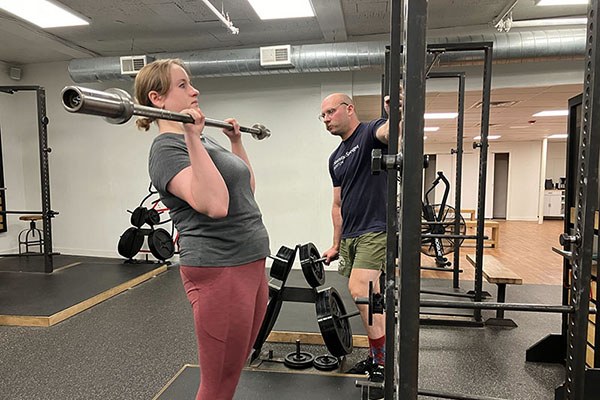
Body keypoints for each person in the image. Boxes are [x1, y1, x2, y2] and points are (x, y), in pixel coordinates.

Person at [134, 58, 270, 400]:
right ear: (157, 98)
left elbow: (244, 190)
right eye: (183, 85)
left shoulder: (204, 141)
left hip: (250, 262)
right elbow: (214, 204)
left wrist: (236, 143)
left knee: (234, 369)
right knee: (217, 384)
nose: (194, 91)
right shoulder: (167, 149)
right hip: (219, 266)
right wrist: (193, 137)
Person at [320, 93, 400, 399]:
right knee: (372, 297)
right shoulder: (334, 158)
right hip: (352, 234)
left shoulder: (370, 132)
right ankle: (378, 358)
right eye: (322, 115)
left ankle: (381, 362)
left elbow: (391, 133)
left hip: (375, 228)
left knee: (360, 290)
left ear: (349, 109)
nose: (326, 118)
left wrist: (399, 114)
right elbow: (337, 204)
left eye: (330, 111)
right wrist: (336, 244)